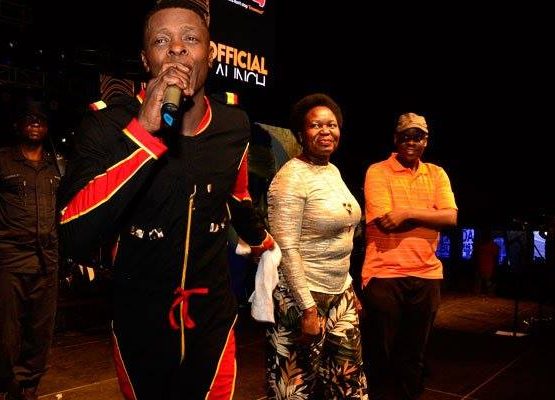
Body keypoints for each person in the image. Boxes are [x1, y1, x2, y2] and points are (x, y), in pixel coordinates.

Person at [57, 1, 274, 399]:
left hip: (212, 323)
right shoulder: (106, 124)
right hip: (139, 326)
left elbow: (237, 195)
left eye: (190, 38)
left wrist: (263, 242)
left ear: (210, 53)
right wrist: (144, 133)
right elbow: (74, 233)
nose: (177, 48)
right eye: (162, 40)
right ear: (145, 59)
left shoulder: (235, 125)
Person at [266, 93, 368, 399]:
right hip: (302, 297)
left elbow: (343, 236)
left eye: (331, 125)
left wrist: (349, 288)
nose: (326, 131)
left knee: (348, 384)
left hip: (340, 293)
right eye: (316, 125)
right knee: (294, 389)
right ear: (300, 134)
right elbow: (286, 248)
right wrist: (308, 309)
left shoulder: (332, 170)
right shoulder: (289, 179)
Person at [361, 112, 457, 400]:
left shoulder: (437, 173)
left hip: (427, 274)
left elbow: (451, 217)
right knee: (380, 356)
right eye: (405, 136)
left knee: (413, 357)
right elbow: (385, 221)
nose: (411, 142)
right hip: (384, 274)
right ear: (395, 139)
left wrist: (406, 213)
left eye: (417, 136)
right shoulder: (378, 171)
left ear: (426, 141)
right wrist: (430, 216)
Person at [0, 101, 61, 400]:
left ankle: (29, 387)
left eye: (41, 120)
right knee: (6, 332)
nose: (35, 124)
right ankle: (6, 383)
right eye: (29, 119)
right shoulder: (3, 161)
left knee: (40, 330)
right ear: (18, 125)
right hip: (10, 258)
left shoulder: (57, 165)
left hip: (47, 260)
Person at [474, 228, 500, 295]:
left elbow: (475, 256)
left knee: (482, 283)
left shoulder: (479, 245)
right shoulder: (493, 246)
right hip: (487, 268)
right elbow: (496, 257)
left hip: (482, 267)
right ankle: (487, 293)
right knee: (486, 282)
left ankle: (481, 293)